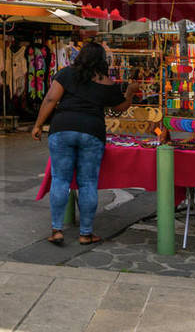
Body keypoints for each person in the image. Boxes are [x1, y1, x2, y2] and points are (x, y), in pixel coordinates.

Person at [31, 41, 138, 246]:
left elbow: (50, 100)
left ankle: (56, 230)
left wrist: (38, 125)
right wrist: (131, 92)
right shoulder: (106, 82)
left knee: (60, 180)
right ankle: (86, 233)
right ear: (101, 61)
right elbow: (120, 107)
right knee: (88, 183)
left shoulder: (65, 74)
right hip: (92, 132)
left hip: (62, 129)